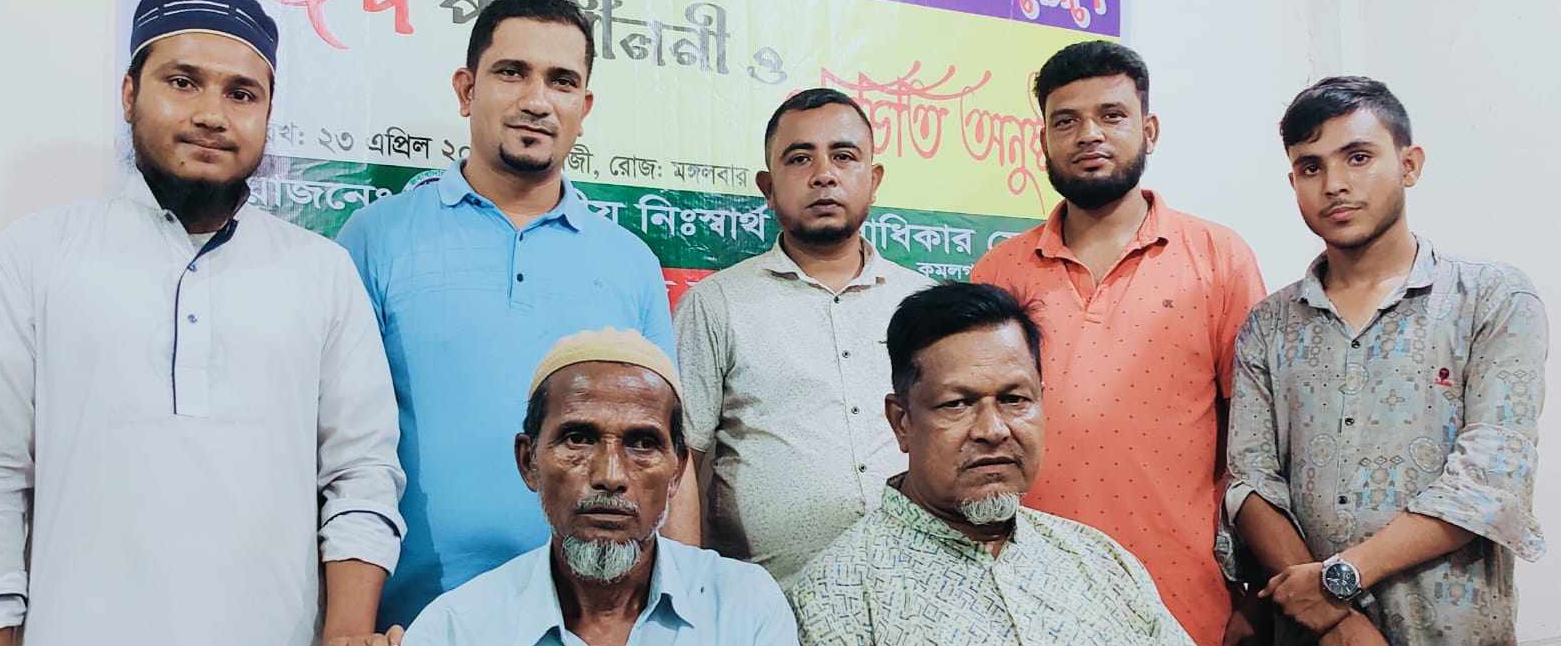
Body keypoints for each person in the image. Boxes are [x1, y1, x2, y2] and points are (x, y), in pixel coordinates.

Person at [0, 0, 405, 645]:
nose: (212, 114)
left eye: (242, 94)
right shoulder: (36, 255)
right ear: (129, 94)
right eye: (182, 82)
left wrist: (345, 631)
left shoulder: (321, 272)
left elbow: (362, 470)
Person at [336, 0, 676, 627]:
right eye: (512, 72)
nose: (537, 101)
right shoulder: (374, 239)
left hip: (590, 623)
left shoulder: (631, 263)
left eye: (561, 81)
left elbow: (662, 455)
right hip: (410, 622)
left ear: (584, 108)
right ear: (467, 90)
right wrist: (349, 624)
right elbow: (337, 448)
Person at [1222, 76, 1547, 645]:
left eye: (1358, 157)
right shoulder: (1268, 324)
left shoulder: (1491, 299)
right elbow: (1249, 482)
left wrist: (1338, 582)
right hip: (1312, 636)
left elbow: (1488, 480)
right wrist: (1339, 624)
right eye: (1311, 167)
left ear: (1409, 165)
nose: (1335, 185)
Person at [970, 40, 1266, 644]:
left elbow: (1257, 444)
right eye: (1066, 121)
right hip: (1032, 601)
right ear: (1043, 140)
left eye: (1111, 116)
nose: (1089, 135)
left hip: (1184, 598)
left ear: (1148, 130)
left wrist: (1255, 595)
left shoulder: (1218, 258)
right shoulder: (998, 272)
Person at [788, 283, 1190, 645]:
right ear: (902, 422)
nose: (993, 430)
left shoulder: (1100, 561)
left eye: (1014, 399)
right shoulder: (838, 596)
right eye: (957, 404)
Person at [665, 88, 932, 586]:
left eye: (844, 156)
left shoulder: (926, 303)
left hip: (914, 592)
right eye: (800, 158)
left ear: (873, 181)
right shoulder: (717, 303)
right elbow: (680, 465)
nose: (824, 174)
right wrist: (688, 595)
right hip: (769, 601)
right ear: (768, 187)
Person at [405, 329, 797, 645]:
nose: (610, 475)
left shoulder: (742, 607)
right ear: (529, 462)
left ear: (677, 472)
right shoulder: (458, 628)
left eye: (642, 444)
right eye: (578, 439)